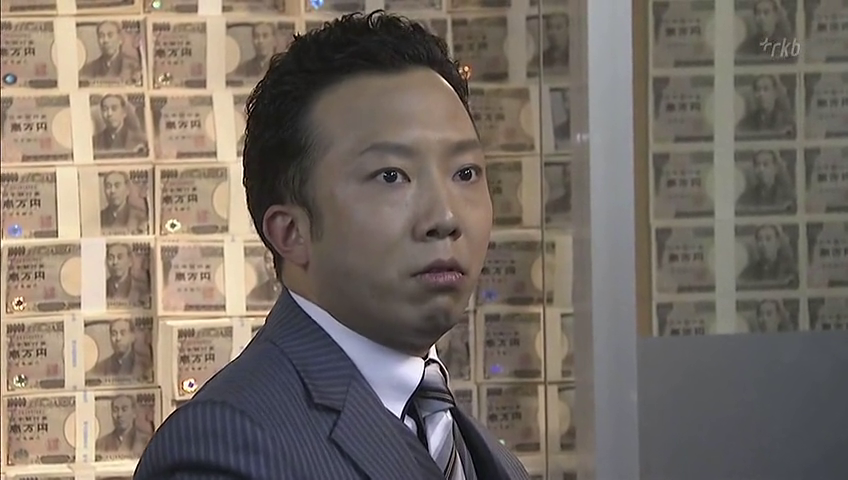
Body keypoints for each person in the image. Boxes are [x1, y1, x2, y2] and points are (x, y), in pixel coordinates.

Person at [136, 11, 529, 480]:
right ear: (290, 232)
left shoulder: (489, 456)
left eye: (465, 173)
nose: (445, 218)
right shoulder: (221, 448)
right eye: (391, 176)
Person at [736, 149, 796, 214]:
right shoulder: (746, 197)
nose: (761, 169)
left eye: (765, 164)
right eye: (757, 165)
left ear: (776, 168)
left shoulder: (788, 196)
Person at [104, 243, 150, 307]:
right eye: (111, 258)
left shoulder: (142, 289)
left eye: (120, 257)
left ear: (130, 261)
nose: (115, 262)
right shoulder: (102, 287)